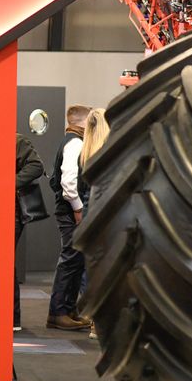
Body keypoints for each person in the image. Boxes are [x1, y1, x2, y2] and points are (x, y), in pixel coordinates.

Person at [46, 105, 93, 331]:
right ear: (83, 122)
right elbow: (68, 182)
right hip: (70, 211)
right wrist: (78, 208)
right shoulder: (75, 143)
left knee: (75, 261)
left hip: (68, 209)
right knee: (70, 261)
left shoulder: (72, 141)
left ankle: (68, 309)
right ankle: (59, 312)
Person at [78, 108, 109, 340]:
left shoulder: (85, 154)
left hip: (90, 216)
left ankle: (93, 322)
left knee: (92, 269)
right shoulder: (110, 153)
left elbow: (80, 191)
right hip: (106, 216)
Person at [13, 133, 45, 331]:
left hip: (11, 212)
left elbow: (36, 166)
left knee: (5, 264)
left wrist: (9, 183)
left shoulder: (16, 140)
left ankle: (12, 317)